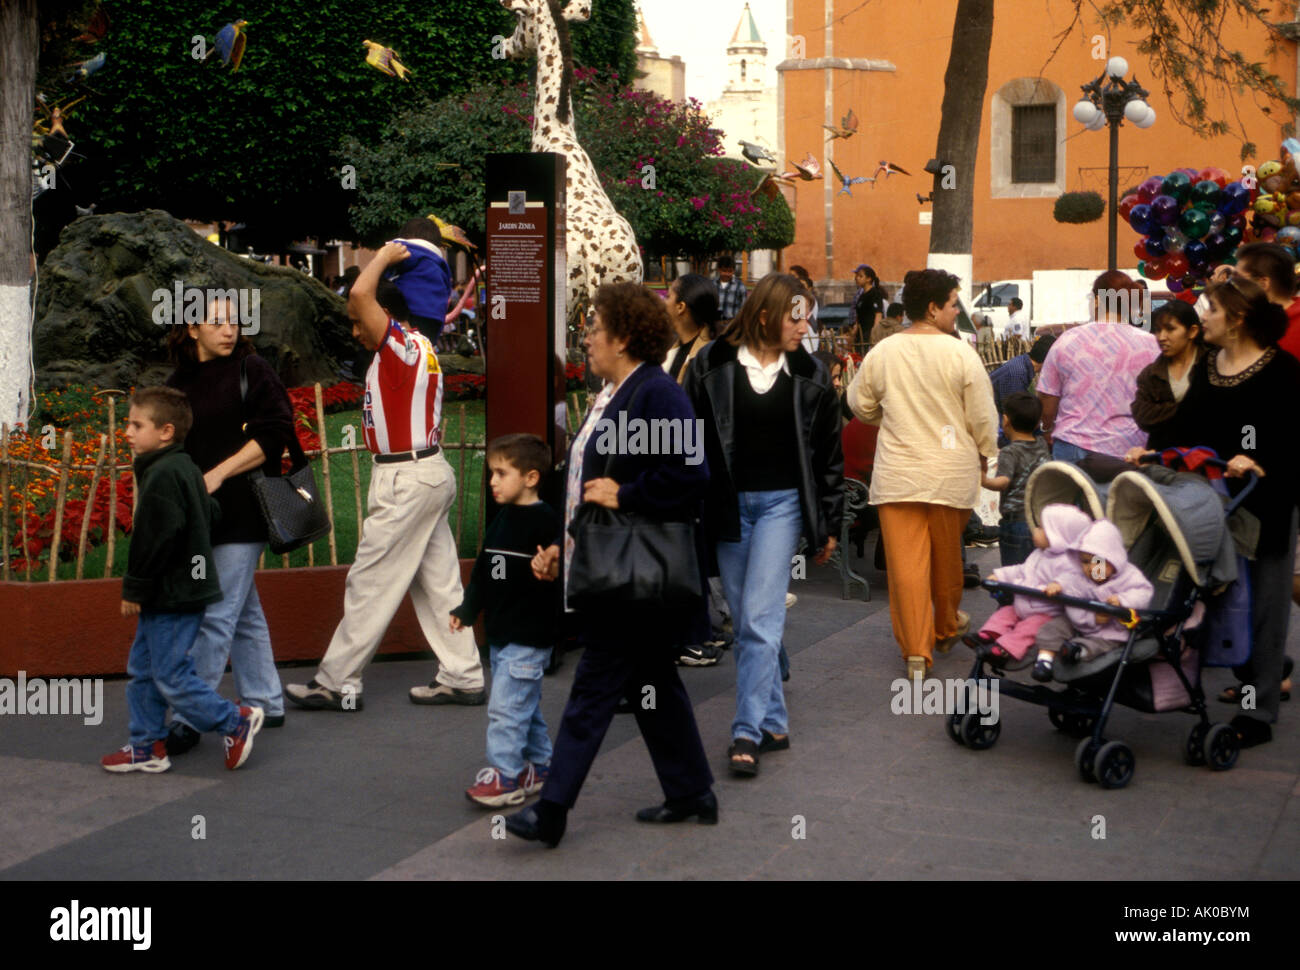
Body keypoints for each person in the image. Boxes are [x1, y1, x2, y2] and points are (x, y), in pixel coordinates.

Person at [504, 282, 716, 848]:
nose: (586, 340)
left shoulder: (655, 393)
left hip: (633, 574)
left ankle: (552, 810)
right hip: (614, 565)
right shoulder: (613, 394)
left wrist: (629, 494)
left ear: (622, 338)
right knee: (653, 683)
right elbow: (580, 486)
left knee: (594, 685)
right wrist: (559, 544)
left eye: (593, 330)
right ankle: (692, 791)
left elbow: (693, 476)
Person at [285, 242, 485, 711]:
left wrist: (384, 258)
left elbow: (359, 296)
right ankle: (463, 674)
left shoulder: (400, 347)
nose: (355, 331)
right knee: (439, 586)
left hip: (406, 479)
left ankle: (337, 682)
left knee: (370, 581)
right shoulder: (420, 349)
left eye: (360, 324)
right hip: (426, 473)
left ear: (386, 317)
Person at [684, 273, 843, 777]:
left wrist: (830, 521)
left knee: (756, 620)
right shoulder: (710, 364)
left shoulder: (813, 374)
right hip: (728, 507)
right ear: (765, 315)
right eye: (797, 316)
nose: (805, 326)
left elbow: (829, 457)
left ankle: (745, 731)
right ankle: (774, 720)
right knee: (748, 615)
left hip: (783, 507)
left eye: (808, 316)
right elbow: (688, 437)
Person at [1158, 275, 1300, 747]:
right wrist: (1151, 452)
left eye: (1210, 309)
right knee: (1222, 597)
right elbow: (1186, 426)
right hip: (1215, 500)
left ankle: (1257, 712)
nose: (1202, 317)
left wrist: (1259, 458)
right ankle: (1238, 682)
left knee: (1264, 606)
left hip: (1267, 502)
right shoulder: (1210, 365)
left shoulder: (1284, 371)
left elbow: (1289, 441)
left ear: (1236, 319)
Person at [101, 387, 263, 774]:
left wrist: (134, 588)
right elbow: (211, 510)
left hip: (172, 593)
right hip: (175, 590)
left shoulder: (163, 474)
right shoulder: (181, 466)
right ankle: (147, 745)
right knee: (144, 669)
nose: (127, 432)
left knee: (170, 675)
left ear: (166, 432)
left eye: (136, 425)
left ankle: (234, 720)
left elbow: (153, 538)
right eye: (128, 423)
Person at [846, 268, 999, 679]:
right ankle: (946, 625)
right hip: (950, 474)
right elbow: (983, 417)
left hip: (898, 475)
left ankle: (916, 652)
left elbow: (858, 404)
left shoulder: (884, 352)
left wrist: (887, 416)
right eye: (953, 304)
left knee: (906, 568)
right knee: (948, 561)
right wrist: (988, 453)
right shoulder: (961, 353)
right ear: (933, 308)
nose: (957, 312)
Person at [161, 294, 296, 756]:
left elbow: (276, 430)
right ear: (192, 329)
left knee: (214, 615)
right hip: (202, 517)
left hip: (245, 512)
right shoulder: (178, 383)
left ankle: (189, 715)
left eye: (234, 321)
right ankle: (266, 701)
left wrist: (219, 472)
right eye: (216, 322)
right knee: (243, 613)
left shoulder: (252, 370)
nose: (229, 329)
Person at [453, 434, 560, 807]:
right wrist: (467, 610)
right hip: (502, 636)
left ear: (531, 478)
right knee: (522, 707)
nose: (492, 481)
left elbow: (563, 569)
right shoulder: (503, 519)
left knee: (505, 709)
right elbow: (485, 571)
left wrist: (552, 562)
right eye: (491, 474)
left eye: (501, 473)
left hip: (528, 637)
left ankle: (506, 776)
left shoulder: (547, 522)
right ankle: (542, 767)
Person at [1036, 271, 1159, 464]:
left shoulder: (1068, 340)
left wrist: (1047, 429)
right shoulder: (1152, 345)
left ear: (1096, 301)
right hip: (1130, 450)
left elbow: (1047, 399)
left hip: (1073, 446)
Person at [1030, 519, 1154, 682]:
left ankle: (1078, 651)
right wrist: (1057, 585)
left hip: (1111, 630)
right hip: (1079, 621)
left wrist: (1123, 600)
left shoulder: (1129, 576)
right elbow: (1066, 580)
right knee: (1054, 626)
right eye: (1084, 561)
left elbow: (1143, 592)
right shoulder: (1078, 576)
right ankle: (1044, 660)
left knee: (1103, 645)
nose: (1090, 568)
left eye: (1097, 562)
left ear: (1113, 558)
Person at [966, 503, 1093, 661]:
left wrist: (1059, 585)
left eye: (1040, 528)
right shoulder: (1039, 554)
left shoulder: (1069, 562)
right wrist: (1001, 575)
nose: (1035, 530)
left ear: (1056, 535)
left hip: (1046, 611)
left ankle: (1007, 648)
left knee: (1028, 628)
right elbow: (1021, 569)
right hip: (1023, 603)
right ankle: (988, 634)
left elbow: (1074, 581)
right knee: (1004, 613)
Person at [982, 392, 1051, 567]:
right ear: (1037, 422)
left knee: (1016, 575)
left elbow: (1003, 481)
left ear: (1005, 420)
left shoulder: (1009, 452)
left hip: (1016, 522)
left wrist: (983, 480)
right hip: (1042, 521)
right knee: (1038, 571)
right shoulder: (1042, 444)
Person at [1126, 301, 1203, 456]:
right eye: (1157, 330)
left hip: (1209, 457)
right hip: (1164, 456)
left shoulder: (1211, 364)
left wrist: (1163, 411)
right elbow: (1143, 416)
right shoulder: (1151, 374)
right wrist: (1190, 408)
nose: (1161, 337)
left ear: (1192, 331)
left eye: (1170, 329)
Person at [383, 217, 453, 338]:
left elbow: (384, 275)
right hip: (435, 319)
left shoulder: (406, 250)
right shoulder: (441, 265)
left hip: (409, 313)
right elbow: (447, 290)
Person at [989, 334, 1055, 446]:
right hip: (995, 423)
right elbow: (1016, 415)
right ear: (1048, 360)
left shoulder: (1023, 364)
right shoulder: (1018, 373)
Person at [662, 274, 719, 385]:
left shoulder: (708, 360)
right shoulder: (670, 347)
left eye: (668, 297)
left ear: (680, 307)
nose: (663, 302)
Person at [852, 264, 886, 352]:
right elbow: (858, 316)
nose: (857, 278)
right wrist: (854, 332)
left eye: (860, 276)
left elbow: (878, 315)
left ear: (869, 279)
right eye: (856, 276)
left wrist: (874, 334)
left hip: (869, 334)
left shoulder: (875, 294)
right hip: (861, 335)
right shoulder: (861, 296)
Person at [791, 265, 821, 351]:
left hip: (807, 332)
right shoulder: (797, 298)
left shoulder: (807, 299)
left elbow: (797, 317)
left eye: (803, 285)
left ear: (809, 288)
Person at [716, 254, 747, 323]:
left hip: (731, 325)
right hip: (714, 324)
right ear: (719, 269)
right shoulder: (712, 285)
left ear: (733, 271)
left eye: (730, 271)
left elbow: (744, 309)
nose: (727, 274)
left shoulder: (740, 287)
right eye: (724, 271)